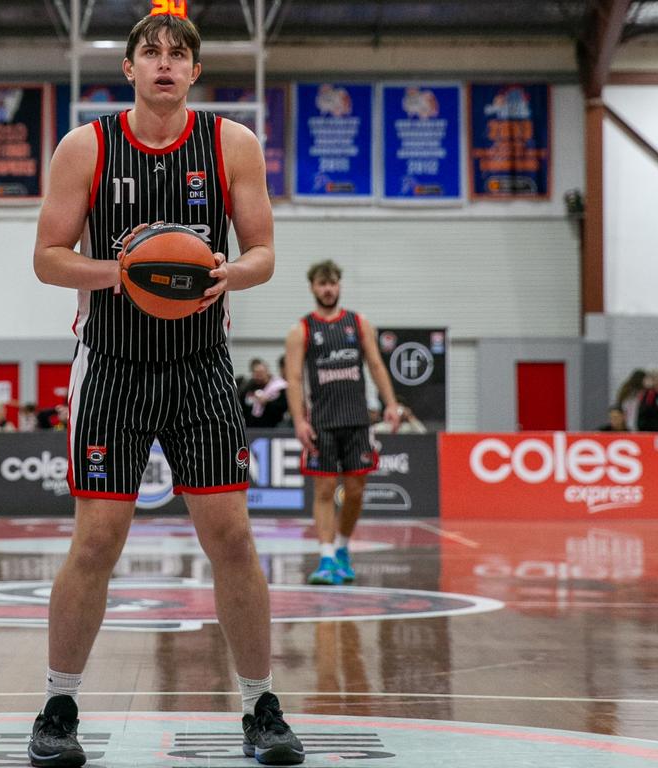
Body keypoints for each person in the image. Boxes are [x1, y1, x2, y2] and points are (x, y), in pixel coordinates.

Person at [28, 13, 303, 767]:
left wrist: (227, 271)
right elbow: (49, 258)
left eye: (178, 54)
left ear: (193, 72)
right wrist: (119, 273)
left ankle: (260, 707)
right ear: (128, 69)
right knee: (96, 542)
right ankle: (58, 707)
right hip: (112, 365)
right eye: (150, 52)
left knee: (234, 539)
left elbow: (265, 253)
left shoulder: (230, 144)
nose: (164, 63)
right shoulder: (85, 146)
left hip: (201, 366)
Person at [284, 259, 401, 587]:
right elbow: (294, 379)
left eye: (332, 283)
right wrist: (298, 421)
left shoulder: (358, 323)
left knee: (355, 490)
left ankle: (343, 548)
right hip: (321, 422)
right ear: (312, 288)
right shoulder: (301, 330)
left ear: (340, 286)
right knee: (323, 489)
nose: (328, 289)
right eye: (322, 283)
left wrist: (391, 403)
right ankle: (325, 558)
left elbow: (376, 365)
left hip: (357, 420)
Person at [240, 358, 288, 428]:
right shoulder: (249, 387)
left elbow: (283, 406)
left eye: (261, 373)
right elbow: (242, 404)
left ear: (267, 372)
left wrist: (267, 402)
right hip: (251, 427)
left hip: (272, 427)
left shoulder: (278, 386)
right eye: (256, 373)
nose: (258, 376)